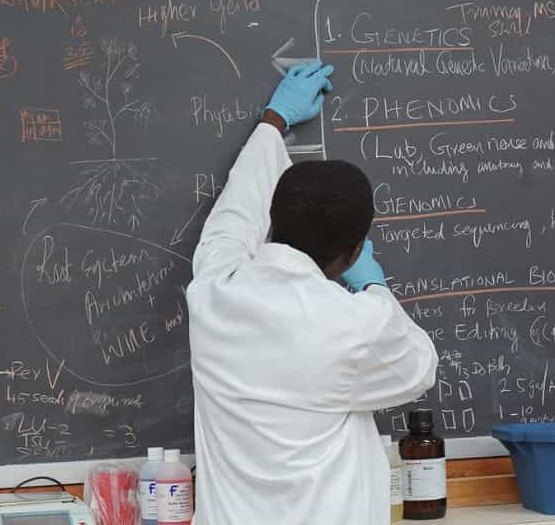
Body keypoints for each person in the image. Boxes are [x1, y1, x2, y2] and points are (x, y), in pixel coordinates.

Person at [186, 61, 439, 524]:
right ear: (354, 250)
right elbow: (418, 366)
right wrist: (374, 285)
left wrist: (273, 121)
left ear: (273, 221)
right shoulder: (354, 322)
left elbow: (235, 214)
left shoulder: (213, 292)